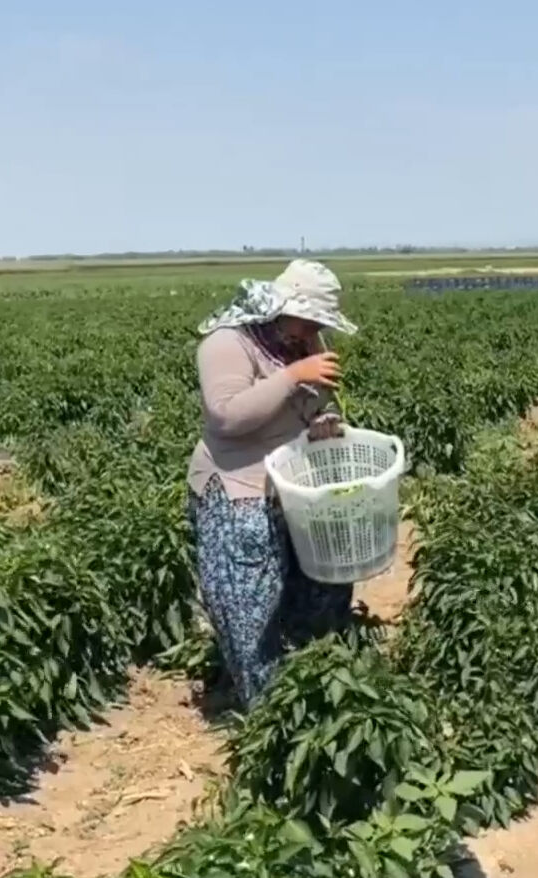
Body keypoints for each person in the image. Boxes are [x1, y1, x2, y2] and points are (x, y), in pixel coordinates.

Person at [187, 259, 356, 707]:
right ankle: (263, 711)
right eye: (310, 319)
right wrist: (291, 377)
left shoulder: (303, 341)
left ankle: (306, 686)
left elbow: (315, 401)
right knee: (248, 607)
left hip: (293, 484)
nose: (314, 329)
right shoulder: (227, 344)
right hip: (239, 487)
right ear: (282, 308)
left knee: (320, 585)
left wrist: (323, 418)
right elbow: (227, 417)